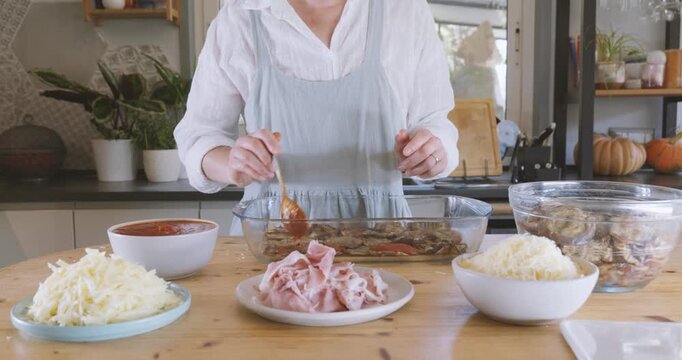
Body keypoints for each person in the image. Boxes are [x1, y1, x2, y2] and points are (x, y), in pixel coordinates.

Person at [175, 0, 459, 235]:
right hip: (270, 236)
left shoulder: (405, 11)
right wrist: (232, 163)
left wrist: (432, 151)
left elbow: (434, 121)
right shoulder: (239, 19)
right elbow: (199, 136)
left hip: (381, 235)